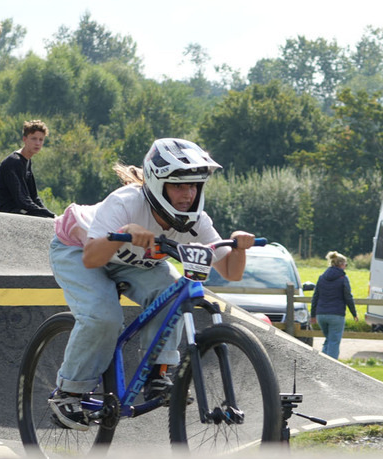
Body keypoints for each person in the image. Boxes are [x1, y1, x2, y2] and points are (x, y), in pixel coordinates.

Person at [46, 138, 255, 430]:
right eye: (179, 186)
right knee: (104, 318)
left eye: (194, 186)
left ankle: (157, 374)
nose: (188, 194)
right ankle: (68, 392)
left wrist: (239, 247)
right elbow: (92, 259)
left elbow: (231, 272)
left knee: (173, 293)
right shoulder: (125, 202)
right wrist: (124, 231)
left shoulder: (196, 221)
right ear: (158, 184)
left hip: (133, 262)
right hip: (79, 249)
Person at [0, 119, 54, 217]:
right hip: (11, 212)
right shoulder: (14, 162)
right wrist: (48, 215)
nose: (37, 143)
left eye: (41, 139)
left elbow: (34, 197)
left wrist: (50, 214)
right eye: (34, 139)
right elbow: (22, 199)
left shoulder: (27, 161)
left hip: (23, 209)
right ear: (25, 139)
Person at [311, 251, 358, 359]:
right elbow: (348, 297)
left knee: (328, 339)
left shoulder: (322, 277)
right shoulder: (343, 278)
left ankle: (322, 362)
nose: (345, 267)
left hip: (321, 314)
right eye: (345, 264)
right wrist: (354, 313)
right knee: (334, 342)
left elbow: (315, 297)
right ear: (341, 264)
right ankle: (332, 365)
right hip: (336, 314)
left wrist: (313, 315)